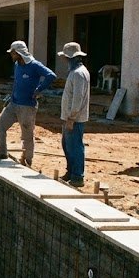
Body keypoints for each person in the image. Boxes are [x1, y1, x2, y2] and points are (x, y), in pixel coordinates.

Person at [0, 41, 55, 167]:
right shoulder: (17, 65)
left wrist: (39, 89)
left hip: (27, 106)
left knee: (27, 134)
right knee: (0, 125)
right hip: (14, 103)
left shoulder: (34, 65)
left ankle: (27, 160)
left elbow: (51, 75)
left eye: (13, 53)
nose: (12, 55)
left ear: (19, 53)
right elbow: (17, 83)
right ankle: (2, 152)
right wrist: (11, 97)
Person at [57, 42, 90, 187]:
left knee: (75, 146)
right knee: (67, 145)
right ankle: (71, 171)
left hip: (74, 118)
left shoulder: (78, 74)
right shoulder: (75, 72)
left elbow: (78, 98)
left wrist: (71, 117)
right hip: (69, 116)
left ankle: (77, 176)